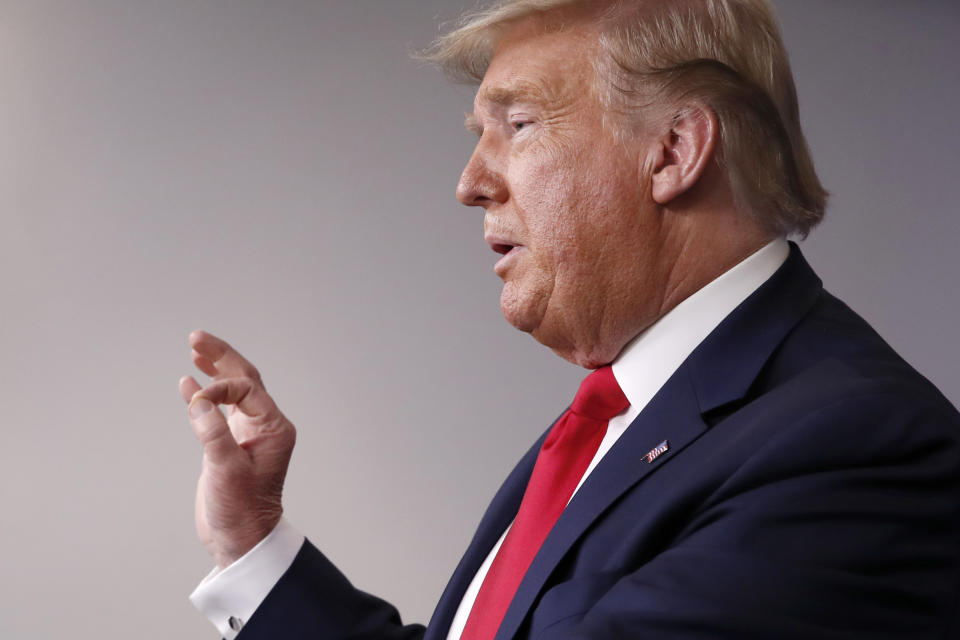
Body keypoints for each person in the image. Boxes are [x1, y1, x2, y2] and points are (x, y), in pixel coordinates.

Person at [179, 1, 960, 638]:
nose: (471, 182)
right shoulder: (629, 417)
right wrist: (252, 534)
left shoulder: (854, 444)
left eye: (517, 125)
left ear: (673, 151)